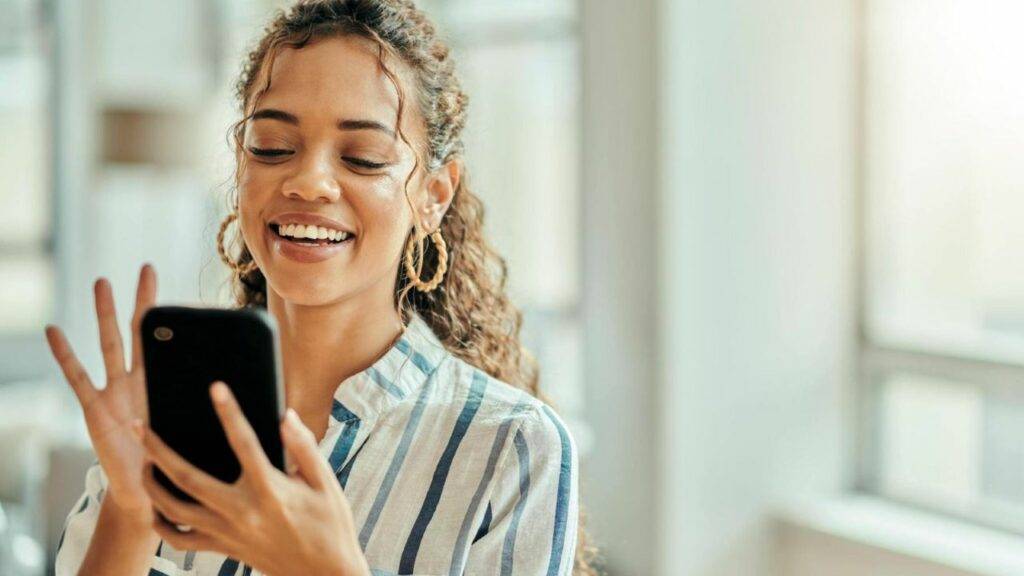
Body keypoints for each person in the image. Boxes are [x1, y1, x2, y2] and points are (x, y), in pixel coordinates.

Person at [43, 0, 600, 574]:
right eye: (273, 147)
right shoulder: (166, 412)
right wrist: (131, 513)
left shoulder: (507, 448)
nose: (308, 182)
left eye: (363, 157)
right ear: (242, 166)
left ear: (434, 196)